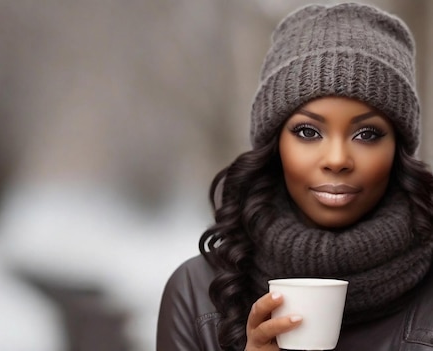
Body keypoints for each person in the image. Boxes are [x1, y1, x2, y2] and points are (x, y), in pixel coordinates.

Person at [156, 3, 433, 351]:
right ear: (276, 145)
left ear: (398, 149)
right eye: (307, 132)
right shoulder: (198, 292)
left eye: (367, 134)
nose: (336, 160)